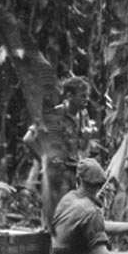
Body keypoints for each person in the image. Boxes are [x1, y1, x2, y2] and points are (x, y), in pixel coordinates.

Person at [24, 76, 91, 222]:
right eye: (82, 96)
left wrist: (86, 137)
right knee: (55, 219)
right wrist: (44, 160)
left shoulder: (83, 115)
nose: (87, 99)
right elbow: (28, 139)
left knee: (72, 219)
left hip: (74, 173)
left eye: (87, 95)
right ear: (69, 96)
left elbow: (81, 146)